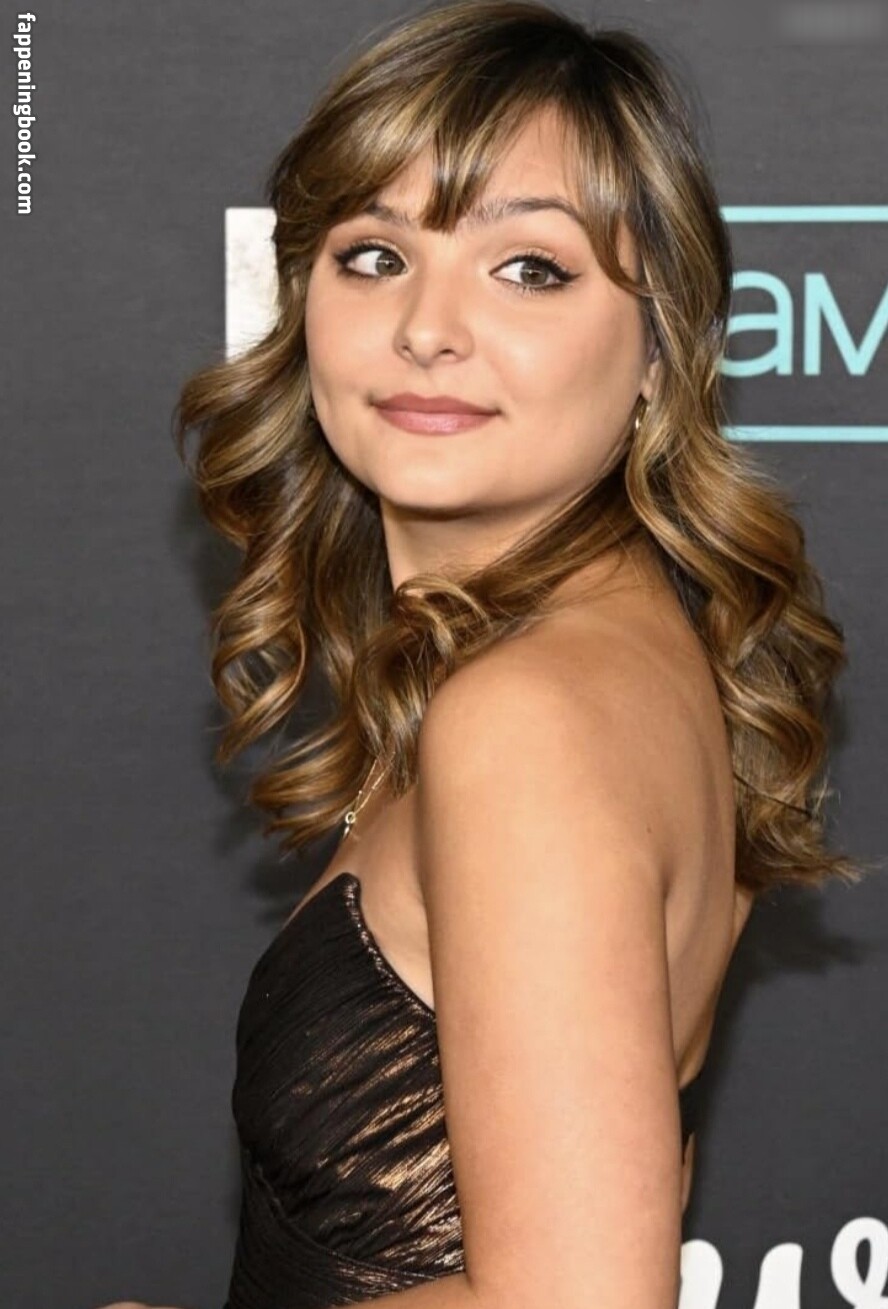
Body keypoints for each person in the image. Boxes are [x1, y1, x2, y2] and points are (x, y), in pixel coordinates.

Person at [104, 2, 863, 1308]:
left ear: (660, 347)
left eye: (529, 268)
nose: (428, 327)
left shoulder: (528, 713)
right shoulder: (609, 646)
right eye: (374, 254)